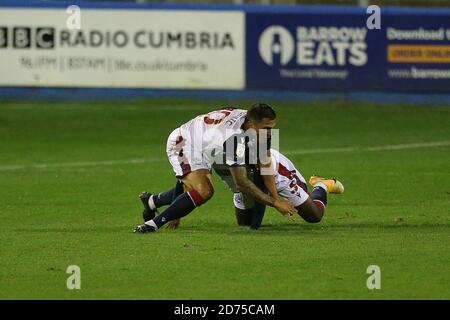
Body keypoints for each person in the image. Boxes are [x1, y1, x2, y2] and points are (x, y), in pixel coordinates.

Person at [133, 103, 297, 233]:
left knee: (202, 184)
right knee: (205, 190)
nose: (270, 133)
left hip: (208, 143)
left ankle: (153, 201)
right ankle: (152, 224)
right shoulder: (235, 138)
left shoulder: (255, 123)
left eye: (272, 127)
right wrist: (275, 203)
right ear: (251, 123)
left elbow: (265, 163)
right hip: (183, 141)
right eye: (266, 129)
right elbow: (240, 182)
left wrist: (277, 197)